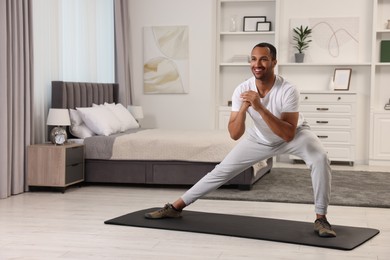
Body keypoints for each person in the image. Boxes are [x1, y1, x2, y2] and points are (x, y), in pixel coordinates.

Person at [144, 42, 336, 238]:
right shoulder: (242, 89)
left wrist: (260, 107)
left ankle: (321, 219)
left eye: (263, 59)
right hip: (260, 137)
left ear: (274, 62)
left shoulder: (288, 90)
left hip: (295, 134)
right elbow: (235, 134)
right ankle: (175, 208)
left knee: (320, 158)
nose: (257, 64)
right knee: (220, 171)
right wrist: (245, 108)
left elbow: (287, 134)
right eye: (253, 59)